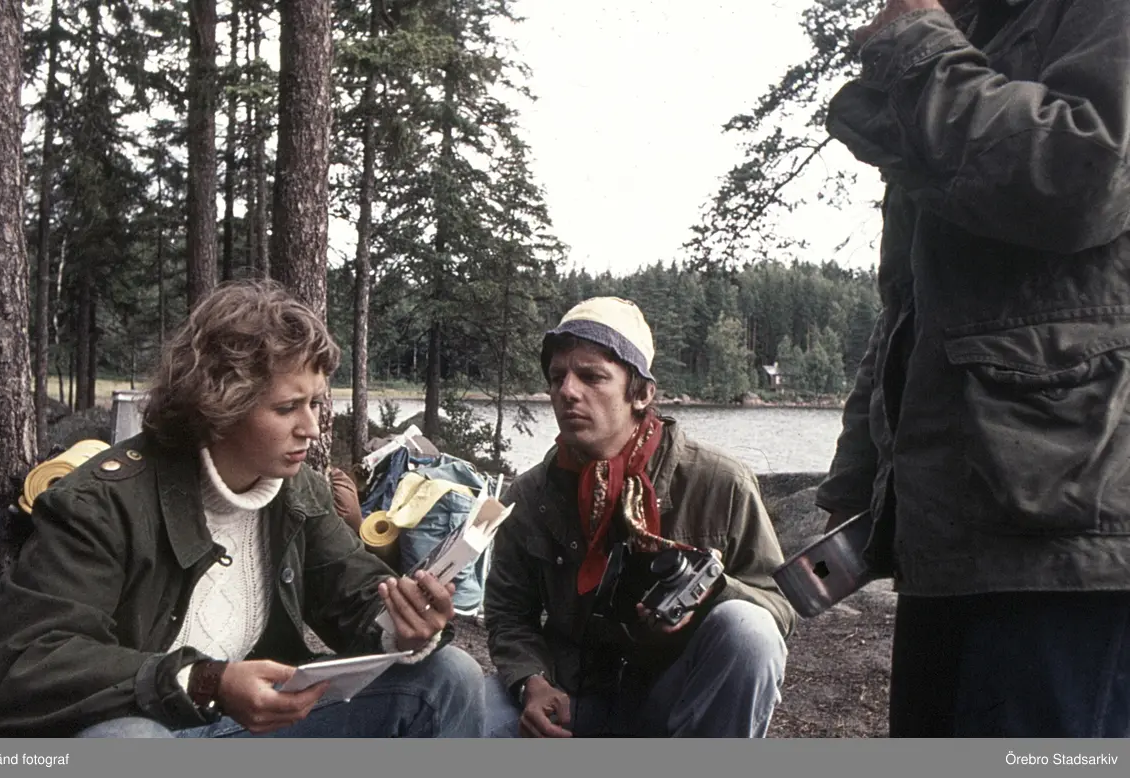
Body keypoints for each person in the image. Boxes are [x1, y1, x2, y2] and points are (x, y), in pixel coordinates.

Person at [0, 280, 484, 738]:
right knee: (133, 741)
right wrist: (205, 681)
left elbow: (353, 593)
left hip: (245, 728)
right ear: (221, 403)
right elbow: (19, 664)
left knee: (449, 675)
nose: (312, 428)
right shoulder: (101, 502)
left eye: (315, 403)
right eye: (287, 407)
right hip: (135, 730)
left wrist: (403, 624)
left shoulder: (298, 492)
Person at [817, 0, 1130, 737]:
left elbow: (1086, 176)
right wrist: (860, 484)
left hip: (1069, 533)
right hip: (952, 528)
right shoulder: (974, 34)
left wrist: (918, 45)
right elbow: (909, 309)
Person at [482, 297, 794, 738]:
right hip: (568, 698)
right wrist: (532, 682)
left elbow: (779, 607)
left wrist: (711, 591)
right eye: (557, 377)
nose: (567, 391)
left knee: (750, 631)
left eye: (592, 376)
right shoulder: (532, 495)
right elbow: (509, 613)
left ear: (642, 394)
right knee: (471, 708)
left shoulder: (718, 483)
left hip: (674, 697)